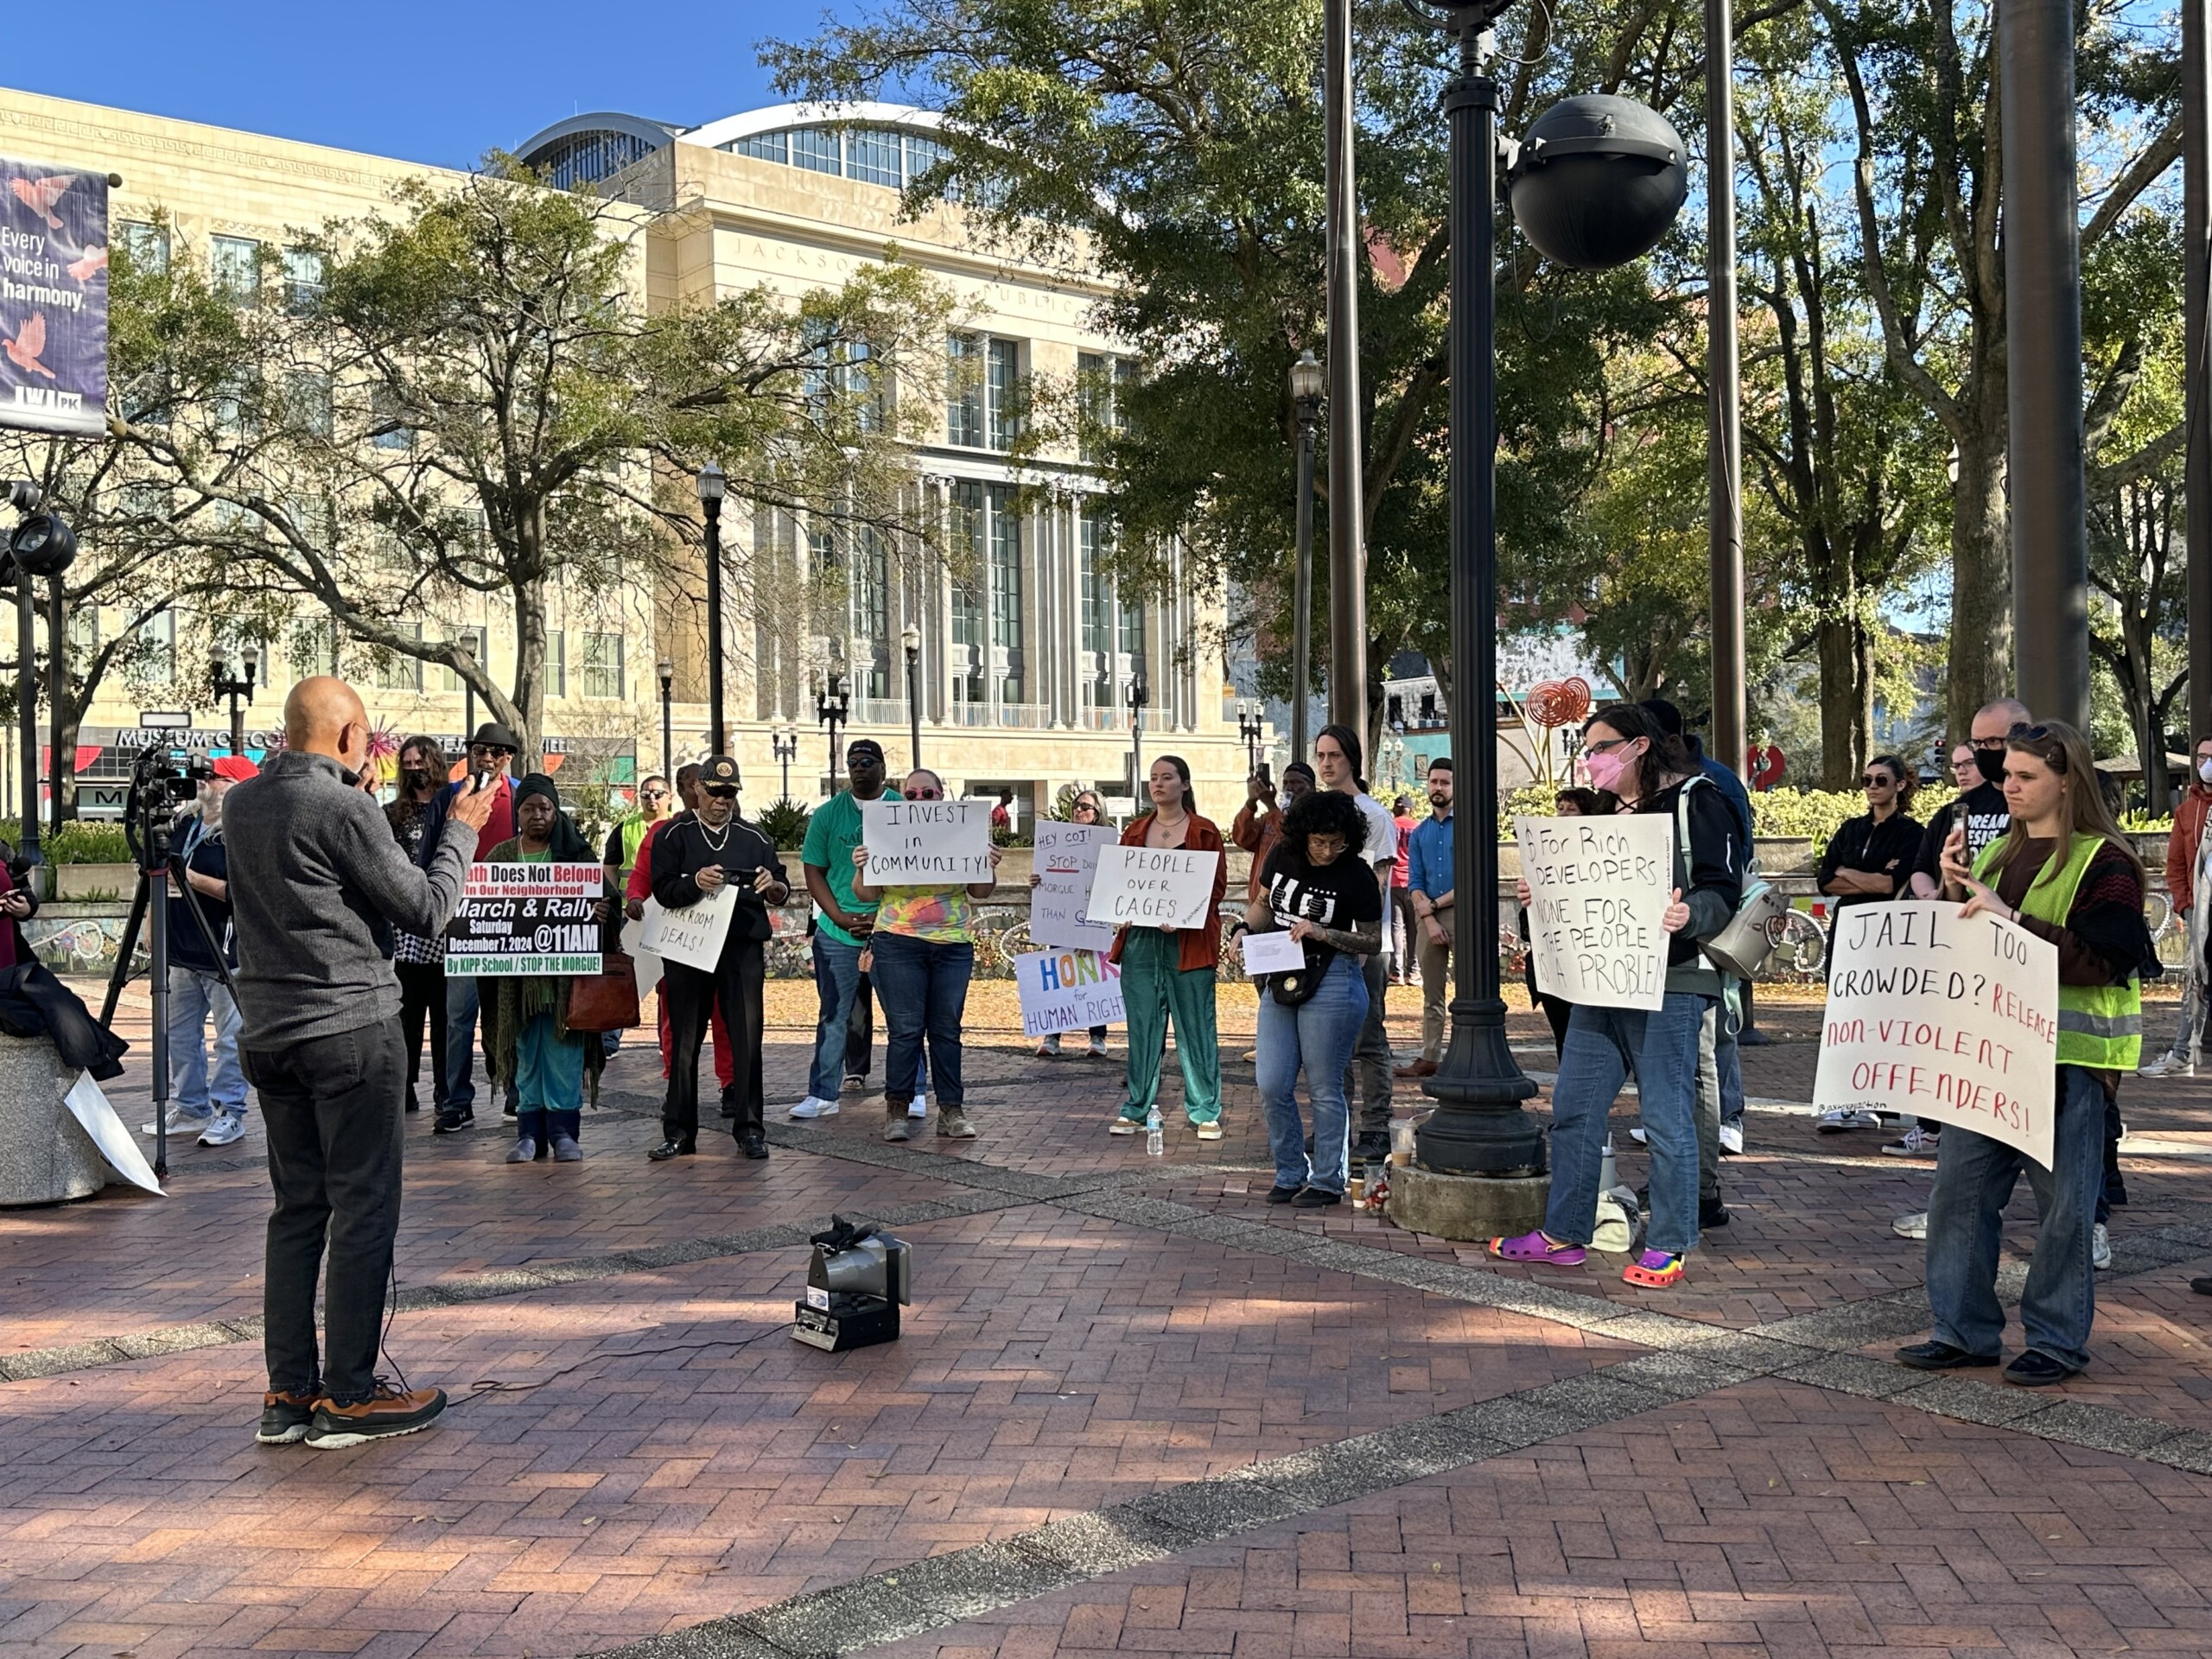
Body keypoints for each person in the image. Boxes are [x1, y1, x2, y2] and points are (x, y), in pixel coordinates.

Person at [225, 676, 492, 1448]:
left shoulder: (245, 804)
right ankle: (346, 1396)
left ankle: (287, 1395)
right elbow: (427, 910)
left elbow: (311, 875)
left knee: (297, 1210)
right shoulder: (343, 808)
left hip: (271, 1031)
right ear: (347, 740)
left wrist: (358, 798)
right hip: (347, 1026)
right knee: (363, 1206)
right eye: (366, 739)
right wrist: (462, 830)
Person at [1897, 718, 2153, 1386]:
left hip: (2066, 1065)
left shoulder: (2107, 861)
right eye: (2006, 774)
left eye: (2024, 776)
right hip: (1989, 1058)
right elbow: (1970, 948)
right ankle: (1960, 1330)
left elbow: (2106, 959)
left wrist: (2010, 921)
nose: (2007, 786)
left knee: (2065, 1209)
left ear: (2067, 782)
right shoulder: (1995, 857)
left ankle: (2057, 1340)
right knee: (1958, 1196)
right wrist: (1954, 889)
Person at [1491, 702, 1742, 1289]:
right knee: (1575, 1107)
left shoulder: (1697, 803)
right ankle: (1564, 1232)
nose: (1592, 759)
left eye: (1601, 747)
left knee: (1665, 1116)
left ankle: (1670, 1241)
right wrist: (1542, 893)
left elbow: (1721, 890)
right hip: (1598, 979)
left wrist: (1690, 913)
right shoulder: (1602, 810)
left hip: (1672, 982)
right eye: (1587, 750)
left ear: (1640, 747)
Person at [1890, 696, 2032, 1240]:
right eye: (1981, 749)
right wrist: (1943, 888)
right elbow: (1936, 877)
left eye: (1995, 747)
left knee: (2070, 1137)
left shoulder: (2062, 817)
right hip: (1968, 978)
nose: (1999, 770)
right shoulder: (1958, 812)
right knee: (1965, 1102)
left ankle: (2090, 1219)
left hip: (2042, 993)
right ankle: (1954, 1208)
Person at [1243, 786, 1383, 1206]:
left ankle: (1327, 1179)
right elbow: (1263, 904)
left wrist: (1325, 933)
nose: (1327, 850)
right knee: (1271, 1081)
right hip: (1281, 971)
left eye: (1337, 842)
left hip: (1334, 975)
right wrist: (1244, 930)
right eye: (1320, 841)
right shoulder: (1283, 854)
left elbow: (1372, 941)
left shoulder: (1355, 873)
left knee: (1325, 1085)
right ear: (1303, 836)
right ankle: (1289, 1172)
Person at [850, 767, 1003, 1142]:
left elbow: (981, 891)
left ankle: (951, 1110)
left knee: (947, 1030)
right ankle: (897, 1109)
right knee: (905, 1030)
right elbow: (866, 895)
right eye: (912, 795)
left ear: (941, 797)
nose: (920, 801)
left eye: (928, 794)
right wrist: (861, 868)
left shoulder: (961, 831)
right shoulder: (885, 831)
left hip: (952, 943)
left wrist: (987, 862)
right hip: (898, 941)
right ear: (902, 800)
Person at [648, 755, 788, 1161]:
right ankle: (679, 1131)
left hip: (740, 948)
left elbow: (780, 884)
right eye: (715, 792)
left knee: (746, 1039)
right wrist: (693, 883)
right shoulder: (674, 835)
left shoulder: (754, 837)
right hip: (689, 948)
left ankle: (749, 1130)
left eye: (730, 793)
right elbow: (662, 890)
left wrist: (773, 886)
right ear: (697, 789)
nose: (722, 801)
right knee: (685, 1041)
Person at [486, 773, 615, 1162]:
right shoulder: (502, 857)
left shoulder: (577, 857)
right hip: (518, 982)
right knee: (527, 1054)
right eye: (529, 809)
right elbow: (481, 913)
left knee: (564, 1054)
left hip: (565, 983)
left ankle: (563, 1132)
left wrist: (600, 912)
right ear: (517, 814)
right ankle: (529, 1134)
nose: (538, 815)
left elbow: (609, 905)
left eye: (545, 808)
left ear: (556, 813)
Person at [1104, 756, 1227, 1140]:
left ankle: (1206, 1109)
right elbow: (1121, 883)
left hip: (1189, 943)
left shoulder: (1205, 832)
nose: (1158, 784)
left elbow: (1216, 888)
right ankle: (1136, 1107)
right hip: (1141, 941)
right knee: (1142, 1027)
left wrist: (1185, 912)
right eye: (1153, 778)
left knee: (1196, 1027)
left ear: (1184, 784)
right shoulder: (1134, 831)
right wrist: (1119, 911)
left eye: (1167, 777)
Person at [141, 756, 256, 1148]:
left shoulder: (242, 832)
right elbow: (160, 876)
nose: (206, 781)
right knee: (178, 1033)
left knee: (229, 1038)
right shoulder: (186, 825)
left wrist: (191, 880)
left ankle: (230, 1112)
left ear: (237, 786)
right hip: (181, 948)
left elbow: (243, 894)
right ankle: (191, 1107)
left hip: (222, 952)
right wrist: (151, 923)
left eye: (216, 777)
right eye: (205, 775)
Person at [1814, 755, 1928, 1141]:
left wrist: (1850, 874)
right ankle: (1845, 1097)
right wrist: (1863, 877)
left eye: (1881, 779)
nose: (1872, 786)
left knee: (1884, 1014)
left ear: (1900, 785)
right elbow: (1826, 881)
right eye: (1867, 779)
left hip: (1889, 930)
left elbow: (1891, 885)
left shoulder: (1912, 833)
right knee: (1843, 1009)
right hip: (1848, 929)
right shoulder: (1850, 829)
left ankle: (1882, 1100)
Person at [417, 721, 519, 1134]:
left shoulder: (524, 796)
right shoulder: (449, 797)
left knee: (512, 1013)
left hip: (515, 925)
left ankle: (518, 1093)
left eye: (497, 751)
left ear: (509, 756)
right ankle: (456, 1101)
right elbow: (428, 859)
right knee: (459, 1016)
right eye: (480, 750)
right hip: (463, 924)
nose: (488, 758)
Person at [793, 739, 902, 1114]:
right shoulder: (827, 815)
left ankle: (911, 1092)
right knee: (833, 1015)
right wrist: (837, 915)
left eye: (868, 762)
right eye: (853, 762)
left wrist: (884, 915)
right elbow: (813, 871)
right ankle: (823, 1095)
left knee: (902, 1018)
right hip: (837, 933)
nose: (859, 767)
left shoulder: (903, 811)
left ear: (882, 769)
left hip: (891, 928)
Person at [628, 764, 741, 1114]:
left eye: (694, 783)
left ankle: (732, 1085)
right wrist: (634, 898)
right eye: (681, 784)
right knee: (675, 1021)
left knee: (726, 1017)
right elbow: (643, 874)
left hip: (723, 942)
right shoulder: (665, 832)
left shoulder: (737, 832)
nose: (689, 789)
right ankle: (676, 1086)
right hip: (679, 941)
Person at [1314, 723, 1397, 1160]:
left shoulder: (1375, 816)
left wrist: (1363, 941)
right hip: (1319, 943)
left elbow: (1378, 882)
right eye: (1321, 756)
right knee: (1330, 1043)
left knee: (1368, 1038)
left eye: (1335, 757)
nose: (1327, 764)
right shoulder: (1313, 810)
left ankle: (1376, 1125)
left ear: (1352, 761)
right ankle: (1335, 1124)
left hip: (1364, 943)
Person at [2140, 731, 2212, 1077]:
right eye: (2201, 757)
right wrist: (2185, 906)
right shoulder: (2186, 812)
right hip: (2200, 912)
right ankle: (2182, 1052)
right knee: (2194, 983)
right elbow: (2175, 866)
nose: (2206, 764)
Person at [386, 736, 448, 1118]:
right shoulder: (393, 813)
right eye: (407, 763)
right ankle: (406, 1086)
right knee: (408, 1015)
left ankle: (446, 1089)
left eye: (420, 762)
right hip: (407, 927)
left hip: (446, 921)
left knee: (447, 1017)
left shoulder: (451, 807)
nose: (414, 769)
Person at [1514, 783, 1596, 1058]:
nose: (1562, 815)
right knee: (1564, 1038)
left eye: (1571, 810)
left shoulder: (1599, 859)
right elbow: (1528, 925)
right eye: (1559, 809)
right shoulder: (1543, 859)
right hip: (1552, 964)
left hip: (1588, 966)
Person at [1033, 787, 1111, 1059]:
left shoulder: (1108, 843)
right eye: (1077, 805)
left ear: (1098, 813)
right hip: (1061, 921)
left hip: (1093, 921)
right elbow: (1049, 875)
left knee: (1093, 978)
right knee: (1058, 976)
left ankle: (1097, 1036)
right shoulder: (1058, 841)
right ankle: (1052, 1036)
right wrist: (1037, 881)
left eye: (1086, 806)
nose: (1079, 810)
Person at [1396, 760, 1457, 1077]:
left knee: (1469, 993)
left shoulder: (1469, 827)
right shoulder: (1420, 832)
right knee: (1431, 993)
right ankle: (1431, 1053)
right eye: (1433, 782)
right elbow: (1414, 880)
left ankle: (1466, 1052)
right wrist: (1429, 917)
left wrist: (1432, 906)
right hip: (1428, 917)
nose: (1437, 788)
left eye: (1445, 783)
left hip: (1462, 913)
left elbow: (1470, 879)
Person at [1231, 762, 1313, 903]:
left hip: (1288, 903)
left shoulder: (1315, 817)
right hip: (1261, 901)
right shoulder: (1270, 817)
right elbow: (1242, 839)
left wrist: (1271, 805)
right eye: (1285, 783)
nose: (1289, 787)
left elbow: (1292, 840)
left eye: (1295, 782)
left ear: (1311, 787)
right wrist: (1251, 802)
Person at [1389, 795, 1419, 984]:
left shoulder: (1389, 825)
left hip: (1393, 882)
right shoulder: (1418, 827)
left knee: (1396, 928)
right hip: (1413, 883)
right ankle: (1414, 972)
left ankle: (1396, 972)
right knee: (1414, 928)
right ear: (1410, 809)